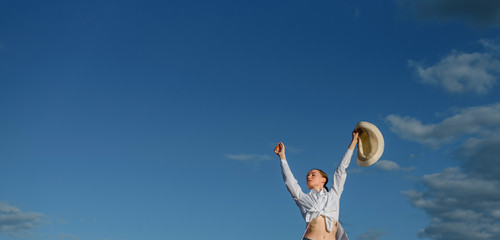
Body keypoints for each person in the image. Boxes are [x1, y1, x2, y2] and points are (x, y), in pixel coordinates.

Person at [274, 130, 359, 240]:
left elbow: (341, 170)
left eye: (313, 175)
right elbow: (290, 181)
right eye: (307, 176)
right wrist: (282, 157)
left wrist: (353, 142)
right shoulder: (303, 198)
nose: (309, 177)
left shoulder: (333, 195)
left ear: (323, 179)